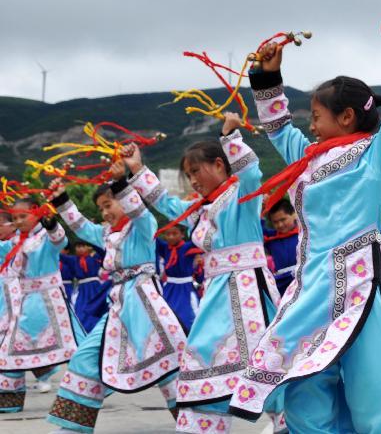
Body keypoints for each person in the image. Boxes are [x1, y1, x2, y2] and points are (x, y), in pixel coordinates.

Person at [227, 31, 381, 433]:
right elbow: (278, 127)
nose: (311, 125)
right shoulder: (306, 160)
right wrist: (269, 76)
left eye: (317, 116)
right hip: (311, 288)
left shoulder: (375, 156)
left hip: (357, 286)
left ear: (346, 117)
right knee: (306, 385)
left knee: (372, 385)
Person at [125, 114, 283, 433]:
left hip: (247, 291)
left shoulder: (242, 196)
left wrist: (231, 137)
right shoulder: (200, 209)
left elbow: (251, 173)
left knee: (264, 361)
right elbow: (168, 204)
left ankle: (287, 419)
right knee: (202, 360)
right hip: (217, 294)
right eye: (188, 174)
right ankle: (203, 425)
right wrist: (137, 170)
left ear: (220, 165)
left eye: (196, 171)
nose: (193, 180)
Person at [46, 159, 186, 433]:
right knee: (85, 357)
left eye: (108, 205)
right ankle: (71, 427)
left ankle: (193, 423)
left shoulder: (143, 225)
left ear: (123, 200)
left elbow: (137, 208)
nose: (105, 213)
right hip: (119, 304)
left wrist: (121, 182)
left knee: (168, 366)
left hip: (145, 304)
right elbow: (82, 226)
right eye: (101, 208)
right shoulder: (107, 234)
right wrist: (61, 199)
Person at [0, 197, 85, 411]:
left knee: (73, 347)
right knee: (9, 348)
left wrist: (52, 225)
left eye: (23, 216)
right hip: (25, 300)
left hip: (49, 299)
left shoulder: (44, 236)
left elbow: (60, 241)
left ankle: (93, 384)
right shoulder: (15, 241)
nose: (18, 221)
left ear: (37, 214)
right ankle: (9, 401)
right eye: (15, 217)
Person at [156, 224, 201, 332]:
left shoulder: (188, 247)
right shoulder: (165, 248)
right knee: (166, 314)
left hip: (186, 288)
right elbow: (152, 237)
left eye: (175, 233)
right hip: (169, 288)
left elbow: (198, 238)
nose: (171, 237)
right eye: (168, 234)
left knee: (189, 316)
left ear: (182, 234)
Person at [60, 240, 109, 334]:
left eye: (83, 246)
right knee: (80, 309)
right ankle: (84, 331)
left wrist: (93, 242)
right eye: (78, 247)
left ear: (88, 247)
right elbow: (60, 256)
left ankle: (100, 330)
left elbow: (103, 252)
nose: (80, 249)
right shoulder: (73, 260)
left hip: (95, 287)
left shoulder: (95, 258)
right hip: (82, 289)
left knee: (97, 307)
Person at [262, 198, 300, 296]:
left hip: (302, 278)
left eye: (283, 219)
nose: (280, 224)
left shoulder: (304, 233)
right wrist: (261, 208)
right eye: (275, 222)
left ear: (294, 214)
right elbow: (256, 228)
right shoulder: (270, 237)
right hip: (281, 284)